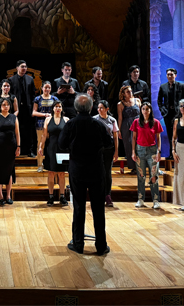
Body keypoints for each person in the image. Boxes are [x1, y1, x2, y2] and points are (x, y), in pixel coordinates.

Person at [59, 94, 111, 255]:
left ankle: (78, 244)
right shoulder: (98, 124)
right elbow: (109, 143)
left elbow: (61, 144)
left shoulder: (71, 124)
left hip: (77, 170)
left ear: (76, 108)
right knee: (98, 209)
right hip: (96, 170)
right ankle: (101, 246)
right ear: (91, 108)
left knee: (79, 207)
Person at [130, 102, 163, 209]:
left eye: (147, 109)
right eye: (143, 109)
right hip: (140, 150)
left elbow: (158, 138)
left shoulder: (156, 122)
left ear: (150, 111)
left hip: (152, 151)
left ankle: (156, 200)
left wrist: (159, 151)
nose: (145, 111)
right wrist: (133, 152)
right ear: (141, 110)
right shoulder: (136, 122)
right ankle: (140, 199)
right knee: (141, 176)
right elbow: (134, 138)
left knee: (154, 176)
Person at [0, 97, 20, 205]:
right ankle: (0, 195)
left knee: (9, 170)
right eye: (3, 105)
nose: (6, 106)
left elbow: (17, 133)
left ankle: (8, 195)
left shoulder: (13, 117)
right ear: (0, 106)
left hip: (11, 147)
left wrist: (18, 146)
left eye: (7, 105)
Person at [39, 101, 69, 206]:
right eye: (56, 106)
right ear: (53, 108)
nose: (57, 108)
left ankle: (62, 196)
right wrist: (40, 147)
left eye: (59, 106)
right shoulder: (47, 120)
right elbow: (44, 135)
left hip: (62, 149)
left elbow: (69, 136)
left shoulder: (66, 120)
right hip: (51, 149)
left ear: (62, 108)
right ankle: (51, 196)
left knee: (61, 173)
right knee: (51, 173)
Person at [94, 100, 120, 207]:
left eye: (102, 108)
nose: (99, 110)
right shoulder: (94, 119)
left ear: (107, 109)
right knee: (97, 173)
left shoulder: (112, 120)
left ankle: (108, 195)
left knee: (107, 173)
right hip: (97, 149)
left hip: (109, 149)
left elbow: (115, 137)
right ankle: (97, 195)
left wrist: (116, 151)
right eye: (98, 108)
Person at [9, 60, 36, 157]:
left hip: (27, 109)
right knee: (16, 130)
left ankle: (30, 151)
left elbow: (33, 94)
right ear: (17, 68)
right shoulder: (11, 80)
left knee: (29, 131)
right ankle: (15, 150)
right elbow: (10, 95)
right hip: (17, 109)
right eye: (22, 66)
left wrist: (33, 108)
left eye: (25, 66)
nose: (24, 68)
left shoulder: (30, 79)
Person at [157, 68, 184, 156]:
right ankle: (171, 153)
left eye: (171, 74)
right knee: (170, 134)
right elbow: (159, 100)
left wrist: (182, 110)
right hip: (167, 113)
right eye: (168, 75)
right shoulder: (163, 86)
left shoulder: (181, 85)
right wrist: (162, 110)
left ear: (175, 75)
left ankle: (179, 153)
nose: (170, 76)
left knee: (178, 133)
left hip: (178, 113)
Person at [32, 81, 59, 172]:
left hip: (52, 124)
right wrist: (45, 115)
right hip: (40, 124)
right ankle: (40, 164)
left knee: (51, 144)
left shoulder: (54, 98)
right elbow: (34, 112)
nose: (47, 89)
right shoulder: (37, 98)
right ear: (42, 88)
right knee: (40, 144)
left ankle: (51, 163)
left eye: (49, 88)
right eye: (45, 87)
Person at [117, 85, 141, 174]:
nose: (130, 93)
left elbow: (142, 113)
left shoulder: (137, 100)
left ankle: (140, 165)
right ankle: (133, 167)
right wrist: (119, 130)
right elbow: (120, 118)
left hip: (137, 123)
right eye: (128, 92)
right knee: (129, 145)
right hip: (127, 125)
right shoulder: (120, 104)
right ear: (123, 94)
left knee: (139, 143)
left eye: (131, 91)